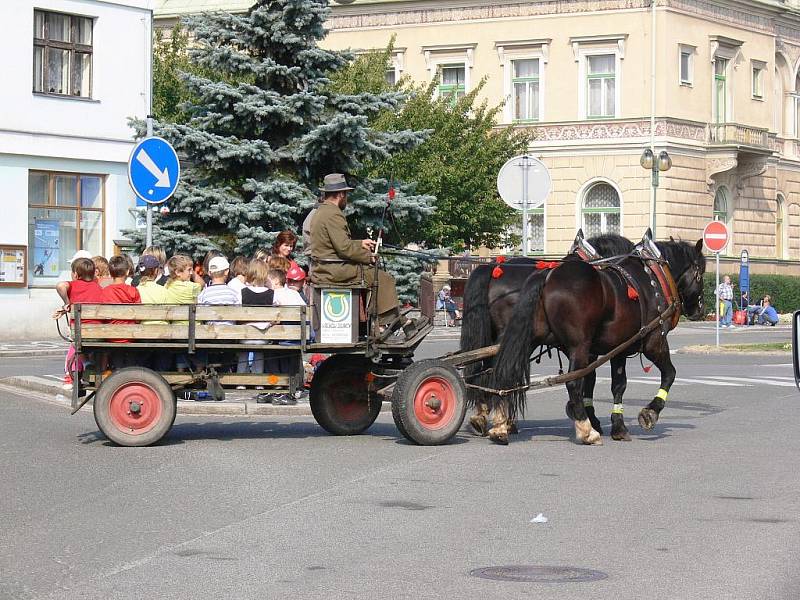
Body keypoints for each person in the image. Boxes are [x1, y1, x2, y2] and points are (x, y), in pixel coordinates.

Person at [309, 173, 425, 339]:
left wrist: (360, 243)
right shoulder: (333, 214)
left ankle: (397, 320)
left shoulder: (322, 211)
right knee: (383, 278)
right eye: (346, 195)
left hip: (328, 266)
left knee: (377, 275)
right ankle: (390, 322)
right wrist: (368, 257)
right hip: (333, 269)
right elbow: (343, 249)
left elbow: (336, 244)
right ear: (341, 194)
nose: (346, 198)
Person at [54, 256, 104, 389]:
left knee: (75, 344)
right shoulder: (98, 288)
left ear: (75, 274)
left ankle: (71, 377)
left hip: (80, 332)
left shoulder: (74, 285)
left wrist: (67, 303)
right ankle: (90, 366)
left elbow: (60, 286)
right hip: (99, 333)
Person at [100, 255, 142, 365]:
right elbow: (139, 316)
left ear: (110, 272)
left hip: (111, 335)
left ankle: (117, 371)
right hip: (130, 336)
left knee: (116, 359)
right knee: (131, 361)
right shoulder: (133, 291)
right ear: (127, 272)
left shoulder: (105, 292)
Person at [136, 255, 172, 370]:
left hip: (142, 335)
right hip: (162, 335)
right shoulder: (163, 290)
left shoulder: (136, 290)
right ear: (156, 271)